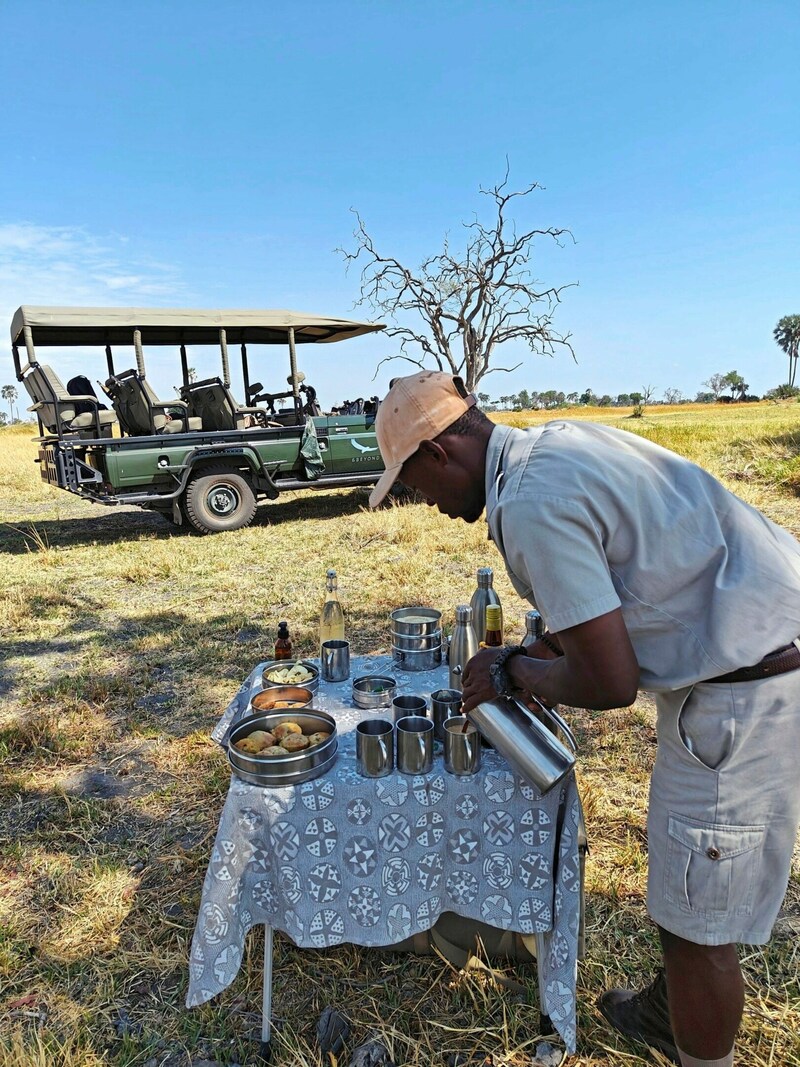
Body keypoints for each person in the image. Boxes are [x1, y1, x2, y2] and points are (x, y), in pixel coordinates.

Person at [368, 370, 800, 1067]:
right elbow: (604, 602)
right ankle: (670, 1011)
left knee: (701, 925)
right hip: (749, 648)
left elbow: (608, 679)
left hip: (747, 691)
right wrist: (528, 653)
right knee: (683, 886)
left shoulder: (533, 502)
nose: (428, 504)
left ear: (441, 454)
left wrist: (513, 672)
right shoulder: (554, 446)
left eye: (417, 486)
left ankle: (700, 1045)